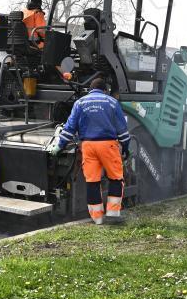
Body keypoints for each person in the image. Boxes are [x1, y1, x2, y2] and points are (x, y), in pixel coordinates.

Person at [49, 77, 130, 224]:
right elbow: (122, 130)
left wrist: (59, 146)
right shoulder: (112, 102)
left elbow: (69, 128)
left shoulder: (79, 103)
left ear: (90, 90)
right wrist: (125, 147)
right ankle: (113, 214)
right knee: (116, 179)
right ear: (105, 90)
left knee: (92, 181)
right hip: (108, 146)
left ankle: (97, 218)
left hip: (87, 146)